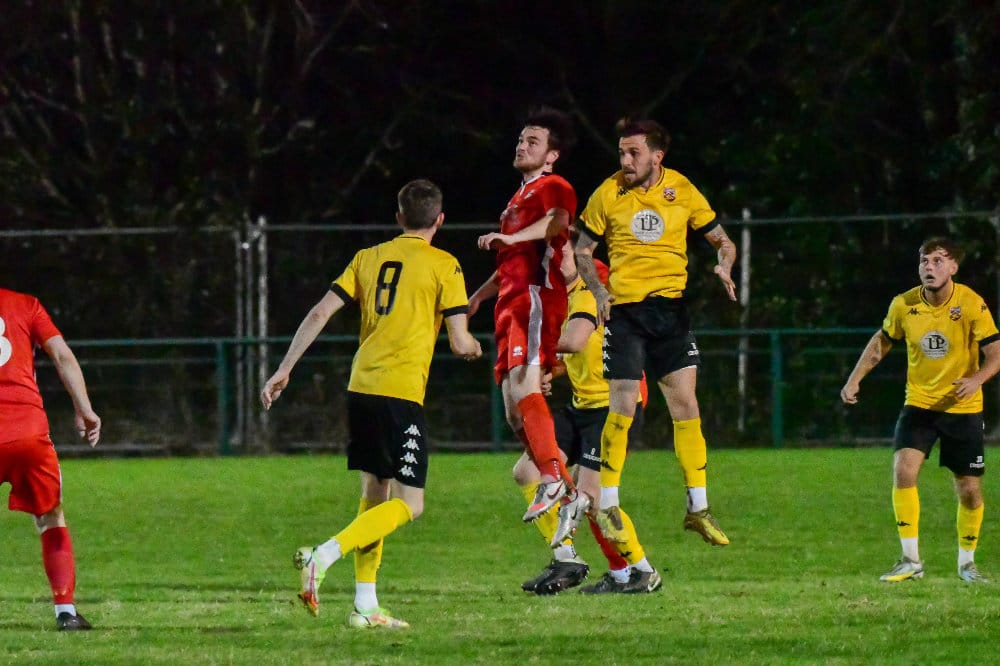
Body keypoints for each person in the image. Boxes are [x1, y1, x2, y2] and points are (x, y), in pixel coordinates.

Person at [261, 179, 482, 628]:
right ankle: (324, 555)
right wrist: (475, 347)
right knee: (411, 504)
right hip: (400, 393)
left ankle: (365, 605)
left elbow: (321, 312)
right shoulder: (446, 265)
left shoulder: (367, 258)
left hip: (361, 387)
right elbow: (460, 343)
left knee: (375, 495)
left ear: (399, 217)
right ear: (440, 220)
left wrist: (285, 368)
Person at [573, 117, 737, 548]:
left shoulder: (681, 189)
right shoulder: (607, 193)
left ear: (657, 157)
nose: (625, 161)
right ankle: (608, 504)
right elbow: (582, 249)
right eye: (621, 152)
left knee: (686, 404)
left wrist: (725, 264)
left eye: (634, 153)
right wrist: (599, 291)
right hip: (626, 313)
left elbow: (723, 240)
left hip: (671, 312)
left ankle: (698, 509)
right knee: (624, 403)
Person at [840, 237, 1000, 583]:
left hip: (962, 408)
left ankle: (967, 564)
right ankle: (910, 561)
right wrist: (854, 380)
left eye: (939, 260)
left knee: (969, 489)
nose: (930, 267)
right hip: (919, 404)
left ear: (954, 267)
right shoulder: (904, 304)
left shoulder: (971, 303)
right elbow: (881, 342)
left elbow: (996, 353)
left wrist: (977, 380)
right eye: (925, 261)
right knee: (903, 470)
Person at [517, 253, 662, 595]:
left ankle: (643, 571)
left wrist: (525, 348)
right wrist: (552, 371)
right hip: (581, 407)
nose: (552, 261)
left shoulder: (590, 289)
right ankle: (568, 558)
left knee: (593, 498)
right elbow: (582, 353)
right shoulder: (559, 298)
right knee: (528, 471)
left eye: (559, 254)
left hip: (612, 409)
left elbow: (576, 341)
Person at [468, 106, 579, 523]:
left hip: (535, 297)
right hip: (509, 303)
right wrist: (478, 297)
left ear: (552, 155)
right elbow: (510, 259)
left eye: (533, 141)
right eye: (520, 139)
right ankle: (566, 489)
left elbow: (557, 223)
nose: (522, 146)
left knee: (525, 385)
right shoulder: (517, 199)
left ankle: (550, 478)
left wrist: (510, 238)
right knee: (514, 410)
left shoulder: (553, 185)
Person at [0, 288, 102, 631]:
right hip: (27, 432)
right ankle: (66, 612)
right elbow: (61, 355)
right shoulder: (25, 304)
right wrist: (84, 407)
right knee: (51, 517)